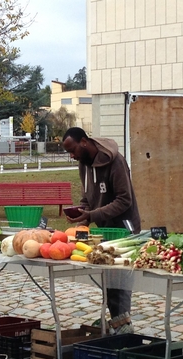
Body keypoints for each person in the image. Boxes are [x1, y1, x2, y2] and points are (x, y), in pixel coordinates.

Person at [61, 126, 141, 334]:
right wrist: (81, 218)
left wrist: (91, 215)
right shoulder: (84, 163)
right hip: (104, 229)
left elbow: (124, 200)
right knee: (108, 280)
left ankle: (124, 325)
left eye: (73, 150)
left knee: (120, 281)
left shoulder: (116, 162)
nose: (72, 156)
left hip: (124, 228)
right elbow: (87, 198)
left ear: (84, 142)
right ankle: (117, 322)